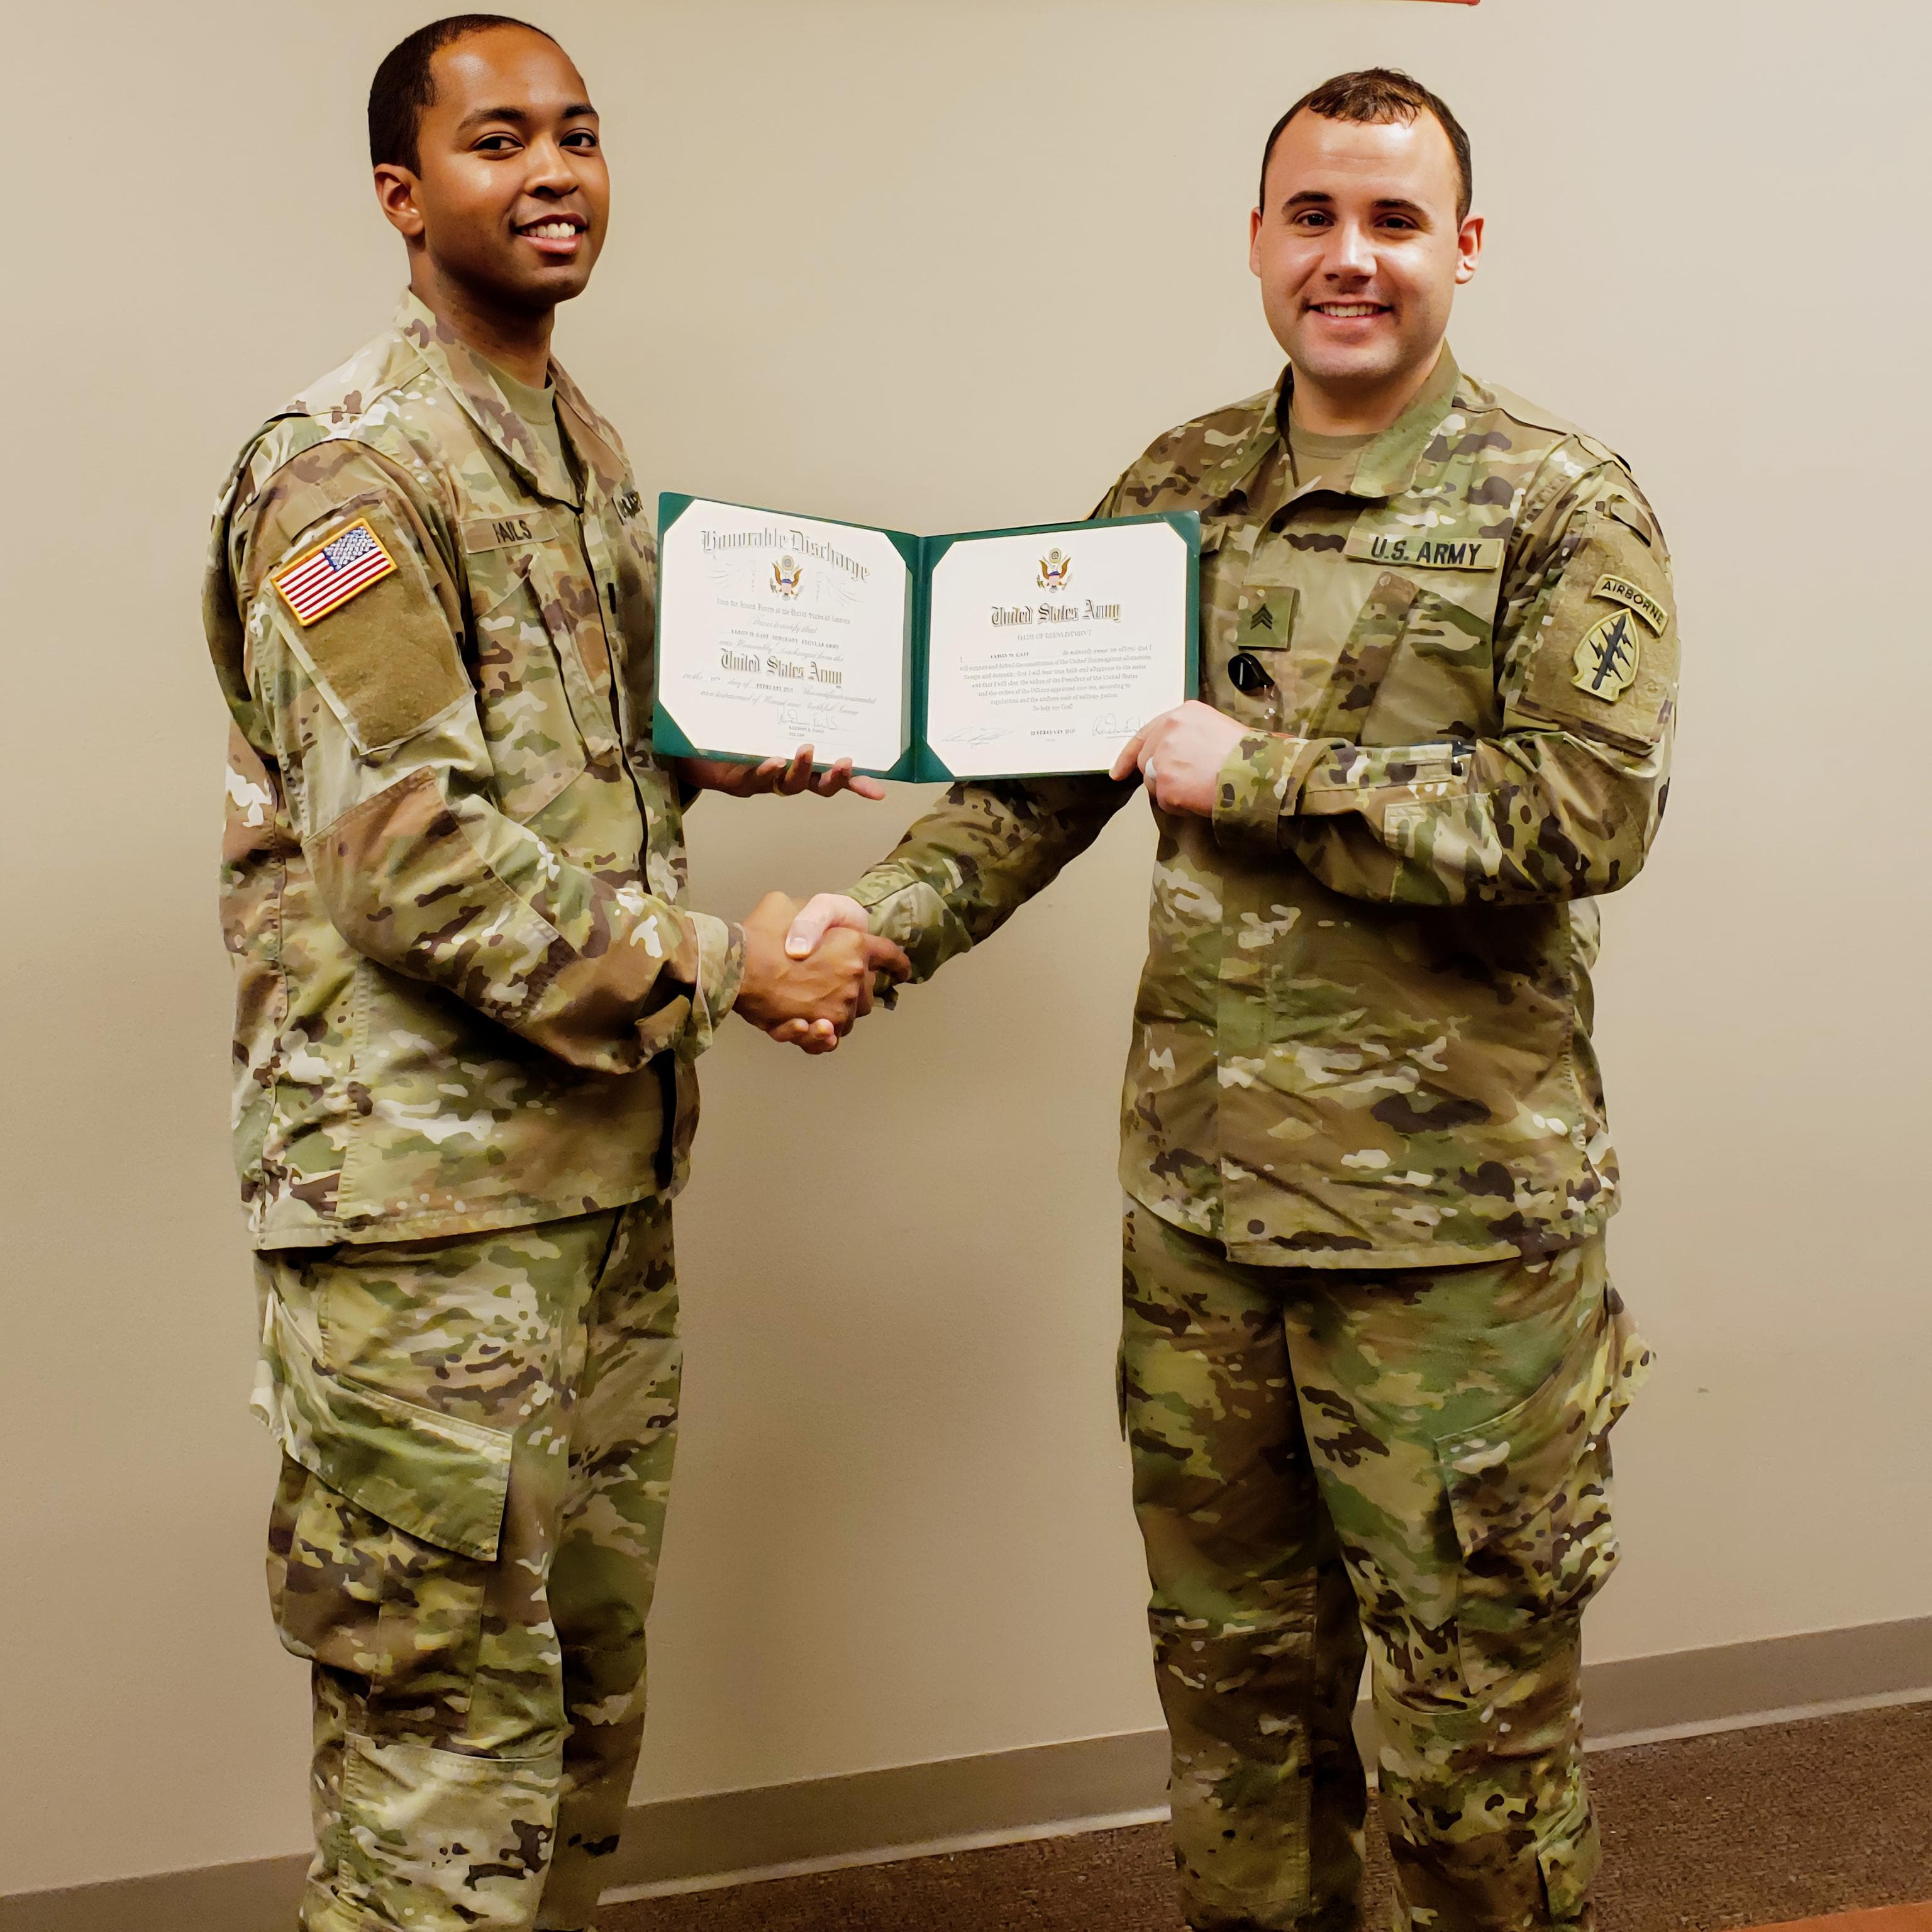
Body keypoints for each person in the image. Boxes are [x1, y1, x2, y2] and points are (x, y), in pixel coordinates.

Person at [782, 67, 1674, 1931]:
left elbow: (1588, 813)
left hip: (1453, 1257)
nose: (1350, 258)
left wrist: (1261, 774)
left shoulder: (1558, 504)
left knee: (1472, 1761)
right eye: (1312, 218)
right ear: (1259, 244)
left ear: (1466, 249)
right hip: (1205, 1234)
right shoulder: (1176, 493)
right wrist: (877, 928)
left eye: (1395, 221)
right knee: (1237, 1724)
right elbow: (1042, 780)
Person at [202, 16, 907, 1929]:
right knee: (447, 1749)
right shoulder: (348, 473)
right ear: (401, 194)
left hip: (590, 1201)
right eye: (498, 137)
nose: (553, 171)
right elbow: (403, 854)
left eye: (578, 134)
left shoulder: (572, 445)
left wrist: (714, 742)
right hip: (426, 1234)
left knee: (576, 1732)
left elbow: (539, 759)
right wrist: (725, 968)